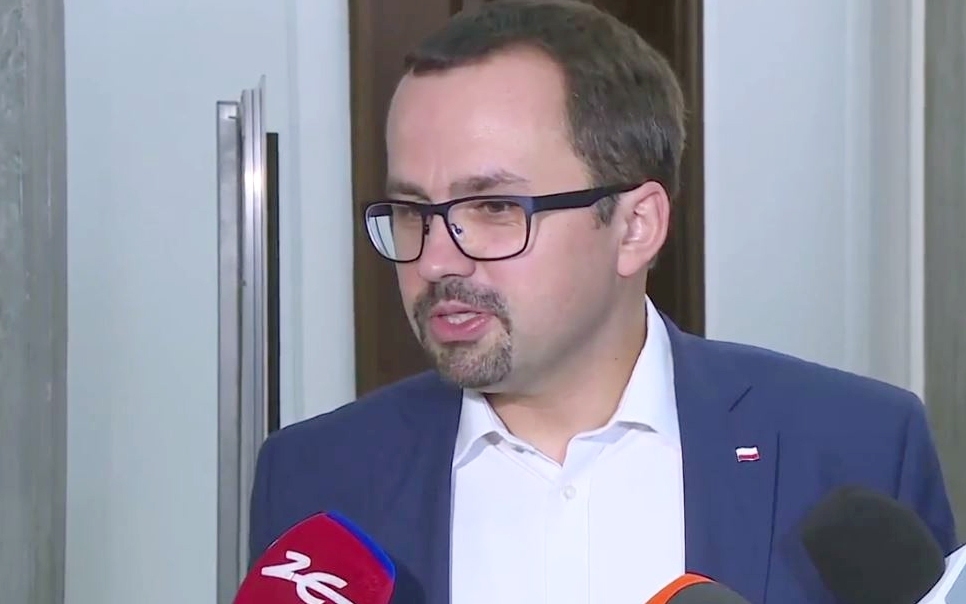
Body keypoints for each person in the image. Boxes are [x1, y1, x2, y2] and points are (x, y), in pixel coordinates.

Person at [248, 1, 958, 603]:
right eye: (411, 212)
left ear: (635, 227)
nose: (435, 260)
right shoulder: (316, 476)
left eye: (494, 207)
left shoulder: (854, 447)